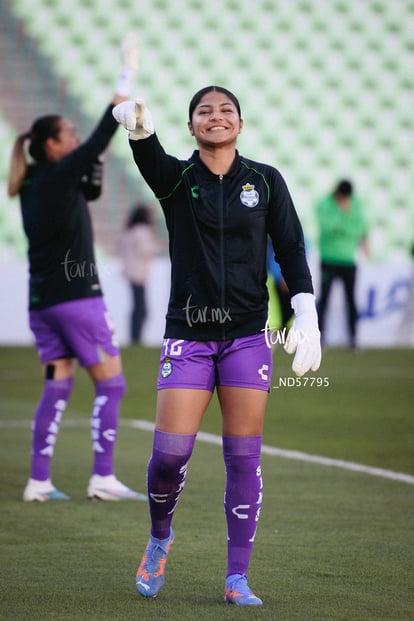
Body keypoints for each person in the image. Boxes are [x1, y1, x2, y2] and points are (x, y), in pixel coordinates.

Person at [113, 85, 321, 605]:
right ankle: (160, 538)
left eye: (226, 110)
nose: (216, 117)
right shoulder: (176, 179)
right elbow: (149, 152)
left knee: (242, 458)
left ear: (240, 124)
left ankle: (236, 578)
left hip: (248, 337)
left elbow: (291, 247)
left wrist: (306, 311)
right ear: (192, 127)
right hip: (189, 334)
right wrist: (139, 126)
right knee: (169, 458)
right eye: (204, 111)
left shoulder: (266, 181)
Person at [7, 34, 146, 503]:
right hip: (79, 300)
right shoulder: (60, 170)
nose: (74, 137)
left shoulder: (32, 184)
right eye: (66, 132)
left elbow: (85, 192)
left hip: (43, 304)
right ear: (50, 146)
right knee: (113, 384)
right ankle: (103, 476)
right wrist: (126, 74)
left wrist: (90, 172)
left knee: (56, 387)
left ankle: (38, 481)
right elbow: (105, 133)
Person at [316, 179, 369, 349]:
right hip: (328, 259)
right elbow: (328, 227)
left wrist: (342, 227)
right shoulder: (324, 203)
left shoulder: (356, 203)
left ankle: (353, 338)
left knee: (351, 301)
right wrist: (346, 221)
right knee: (324, 301)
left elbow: (360, 228)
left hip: (348, 260)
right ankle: (319, 338)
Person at [119, 203, 159, 344]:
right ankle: (136, 338)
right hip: (138, 273)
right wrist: (155, 244)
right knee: (141, 309)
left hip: (131, 271)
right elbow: (146, 250)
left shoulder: (130, 231)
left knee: (137, 308)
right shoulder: (143, 231)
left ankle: (135, 337)